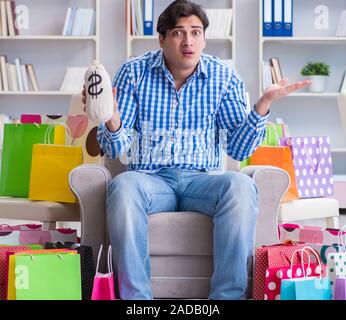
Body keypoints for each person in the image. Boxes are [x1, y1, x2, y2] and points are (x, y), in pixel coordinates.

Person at [82, 0, 311, 300]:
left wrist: (262, 105)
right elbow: (117, 147)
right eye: (178, 33)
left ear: (204, 37)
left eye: (196, 32)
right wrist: (111, 118)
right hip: (150, 180)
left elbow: (240, 149)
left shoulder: (223, 77)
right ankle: (136, 300)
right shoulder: (133, 73)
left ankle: (227, 297)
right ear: (162, 39)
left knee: (241, 185)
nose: (188, 41)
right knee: (123, 186)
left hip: (202, 181)